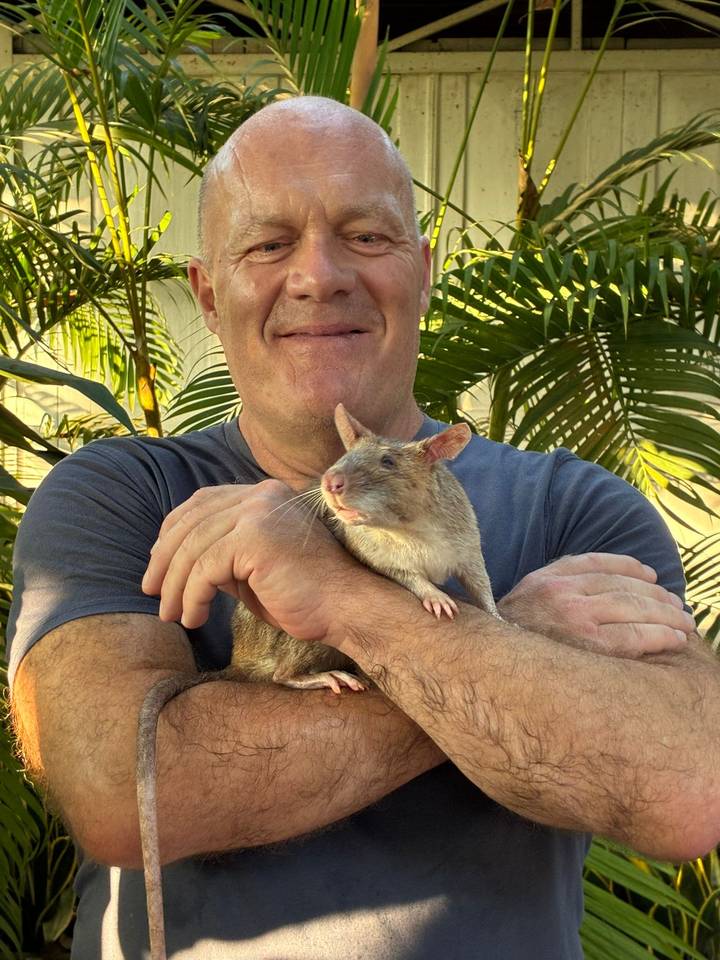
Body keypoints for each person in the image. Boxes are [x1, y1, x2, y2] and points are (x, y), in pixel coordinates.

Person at [7, 96, 719, 960]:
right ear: (206, 291)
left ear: (423, 269)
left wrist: (346, 602)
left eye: (366, 237)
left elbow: (686, 783)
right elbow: (126, 795)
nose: (319, 276)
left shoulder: (576, 507)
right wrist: (521, 646)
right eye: (268, 245)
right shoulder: (120, 494)